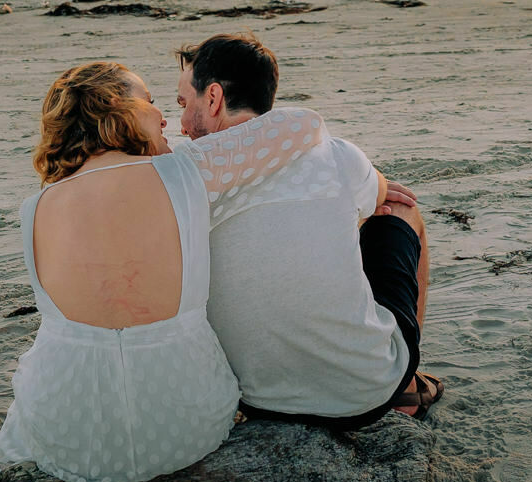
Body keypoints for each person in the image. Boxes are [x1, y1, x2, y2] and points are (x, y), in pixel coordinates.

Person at [0, 60, 328, 482]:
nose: (164, 116)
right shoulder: (188, 170)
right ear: (117, 108)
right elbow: (304, 125)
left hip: (71, 440)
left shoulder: (35, 209)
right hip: (187, 429)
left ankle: (3, 449)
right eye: (150, 102)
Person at [176, 33, 440, 429]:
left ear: (213, 98)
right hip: (365, 394)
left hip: (256, 398)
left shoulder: (182, 180)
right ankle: (405, 388)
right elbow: (386, 194)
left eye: (184, 103)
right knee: (402, 210)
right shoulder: (333, 152)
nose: (180, 124)